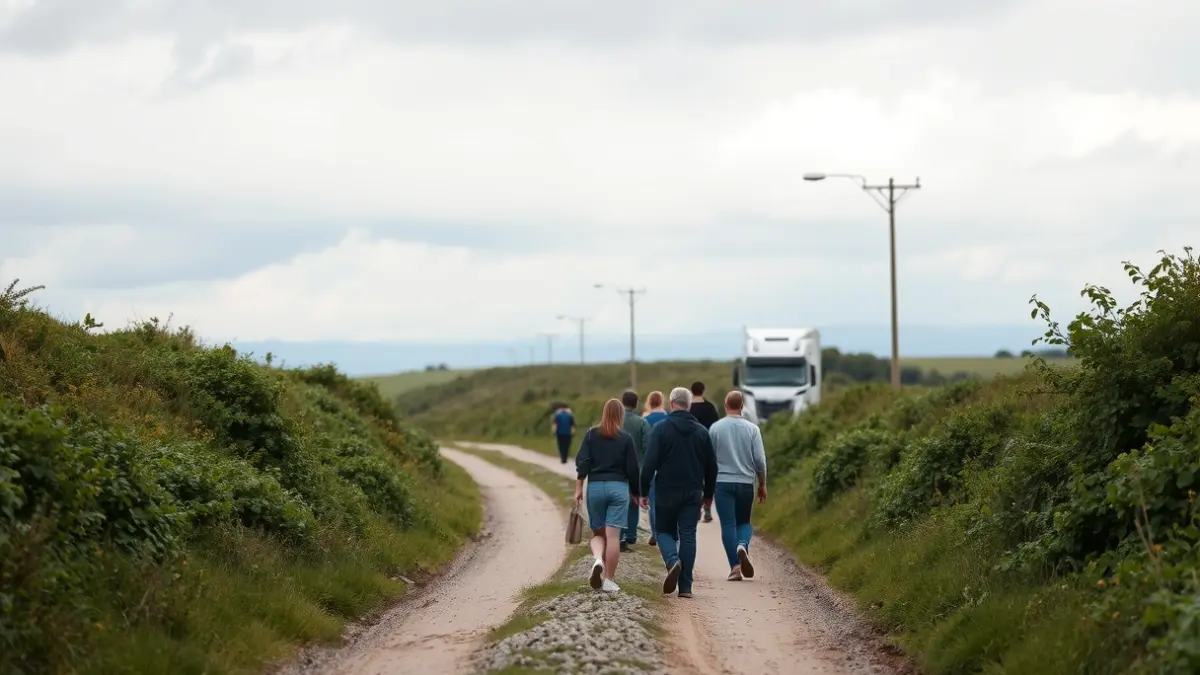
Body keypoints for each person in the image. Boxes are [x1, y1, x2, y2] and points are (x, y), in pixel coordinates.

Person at [639, 387, 717, 598]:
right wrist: (708, 495)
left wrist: (644, 490)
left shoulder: (661, 429)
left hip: (665, 491)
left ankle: (673, 561)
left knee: (664, 531)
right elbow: (712, 467)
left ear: (672, 404)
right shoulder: (702, 431)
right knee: (688, 535)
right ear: (689, 405)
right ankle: (686, 587)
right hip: (692, 492)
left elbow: (649, 463)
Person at [575, 398, 641, 593]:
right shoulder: (626, 438)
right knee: (613, 537)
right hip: (618, 488)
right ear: (620, 415)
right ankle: (609, 580)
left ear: (604, 413)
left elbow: (583, 462)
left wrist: (578, 487)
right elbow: (632, 469)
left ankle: (597, 559)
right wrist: (637, 493)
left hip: (595, 487)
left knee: (597, 533)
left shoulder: (591, 435)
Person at [708, 391, 768, 581]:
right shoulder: (752, 429)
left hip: (722, 483)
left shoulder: (715, 428)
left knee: (728, 524)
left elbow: (709, 459)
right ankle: (742, 544)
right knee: (744, 522)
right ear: (742, 407)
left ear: (726, 406)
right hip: (745, 483)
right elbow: (759, 460)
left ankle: (735, 566)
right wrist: (762, 484)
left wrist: (707, 486)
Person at [620, 390, 652, 551]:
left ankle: (618, 535)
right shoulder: (642, 423)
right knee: (633, 501)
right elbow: (647, 447)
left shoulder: (615, 420)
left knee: (618, 502)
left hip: (616, 468)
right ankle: (630, 534)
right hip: (637, 468)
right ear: (636, 403)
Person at [688, 381, 721, 522]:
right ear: (703, 390)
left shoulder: (687, 408)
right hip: (706, 446)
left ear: (691, 391)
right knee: (707, 477)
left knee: (693, 478)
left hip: (689, 448)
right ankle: (707, 508)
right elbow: (716, 427)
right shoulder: (710, 407)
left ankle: (693, 507)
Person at [641, 390, 668, 546]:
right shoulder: (668, 419)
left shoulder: (645, 420)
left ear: (649, 402)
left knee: (652, 502)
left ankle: (655, 534)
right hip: (668, 465)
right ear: (662, 402)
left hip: (650, 464)